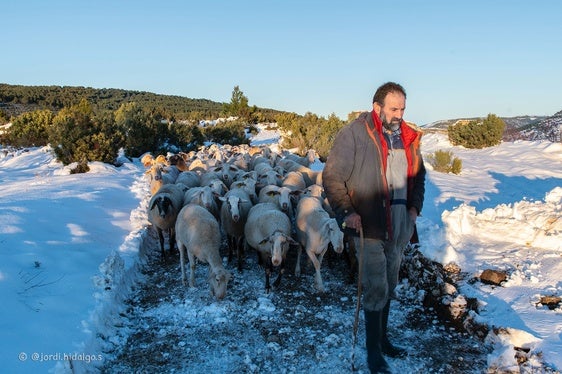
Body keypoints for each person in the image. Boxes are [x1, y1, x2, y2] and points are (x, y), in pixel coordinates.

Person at [322, 82, 425, 373]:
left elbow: (419, 176)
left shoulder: (408, 137)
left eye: (402, 108)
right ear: (377, 107)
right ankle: (373, 353)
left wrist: (415, 208)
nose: (399, 114)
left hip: (401, 222)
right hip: (369, 223)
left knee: (390, 284)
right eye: (394, 108)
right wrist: (347, 211)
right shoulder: (355, 133)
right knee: (376, 286)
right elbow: (332, 177)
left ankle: (383, 340)